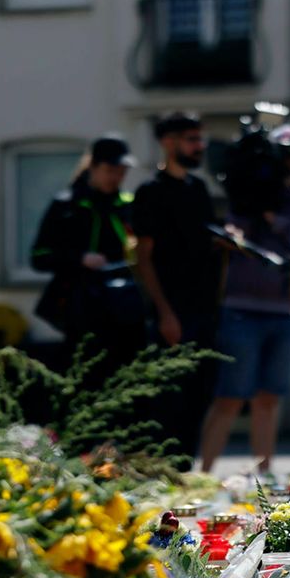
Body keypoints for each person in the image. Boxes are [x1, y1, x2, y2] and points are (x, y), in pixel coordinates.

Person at [200, 125, 290, 475]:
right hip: (241, 311)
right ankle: (203, 475)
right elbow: (233, 235)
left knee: (269, 398)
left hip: (285, 312)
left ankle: (263, 475)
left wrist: (275, 211)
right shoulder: (246, 195)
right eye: (286, 150)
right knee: (230, 396)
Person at [132, 111, 224, 465]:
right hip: (172, 315)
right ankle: (163, 475)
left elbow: (203, 241)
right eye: (191, 139)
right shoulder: (150, 192)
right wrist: (165, 313)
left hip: (204, 312)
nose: (199, 146)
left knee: (198, 396)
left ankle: (185, 475)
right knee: (169, 401)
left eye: (201, 139)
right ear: (168, 142)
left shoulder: (198, 189)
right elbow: (145, 257)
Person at [30, 136, 143, 377]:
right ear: (93, 166)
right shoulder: (67, 205)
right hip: (82, 310)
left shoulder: (127, 206)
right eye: (110, 170)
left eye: (122, 171)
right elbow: (39, 257)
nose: (116, 178)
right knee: (84, 374)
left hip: (124, 309)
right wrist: (80, 258)